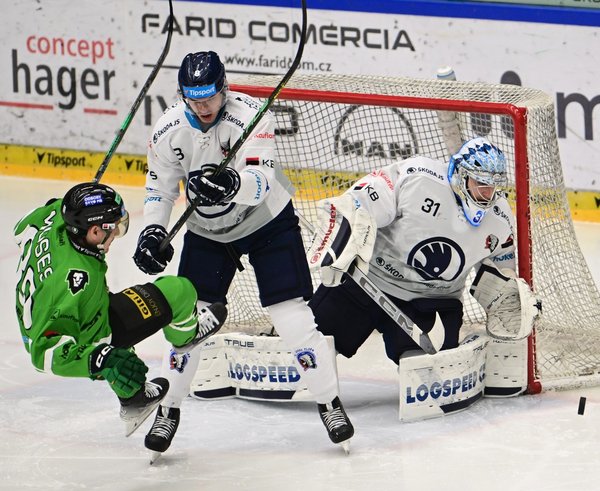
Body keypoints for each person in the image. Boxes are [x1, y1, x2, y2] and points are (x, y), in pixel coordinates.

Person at [133, 51, 353, 456]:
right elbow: (159, 190)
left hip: (266, 222)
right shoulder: (167, 129)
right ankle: (169, 408)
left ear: (225, 90)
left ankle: (329, 401)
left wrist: (233, 183)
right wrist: (151, 232)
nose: (202, 108)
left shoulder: (251, 115)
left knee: (293, 319)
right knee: (190, 322)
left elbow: (262, 179)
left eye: (210, 98)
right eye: (193, 99)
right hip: (208, 231)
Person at [14, 182, 226, 436]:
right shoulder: (74, 281)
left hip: (56, 309)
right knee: (179, 292)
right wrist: (99, 358)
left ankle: (130, 390)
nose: (115, 233)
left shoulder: (56, 214)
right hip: (79, 329)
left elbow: (21, 228)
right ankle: (184, 339)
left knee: (124, 347)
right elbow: (43, 354)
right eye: (111, 229)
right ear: (93, 231)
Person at [307, 137, 524, 364]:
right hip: (367, 281)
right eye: (481, 183)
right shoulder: (418, 178)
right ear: (461, 174)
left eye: (493, 186)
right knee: (308, 355)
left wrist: (511, 293)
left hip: (431, 300)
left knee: (429, 373)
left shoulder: (500, 218)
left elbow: (502, 270)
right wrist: (340, 238)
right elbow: (358, 204)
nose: (488, 194)